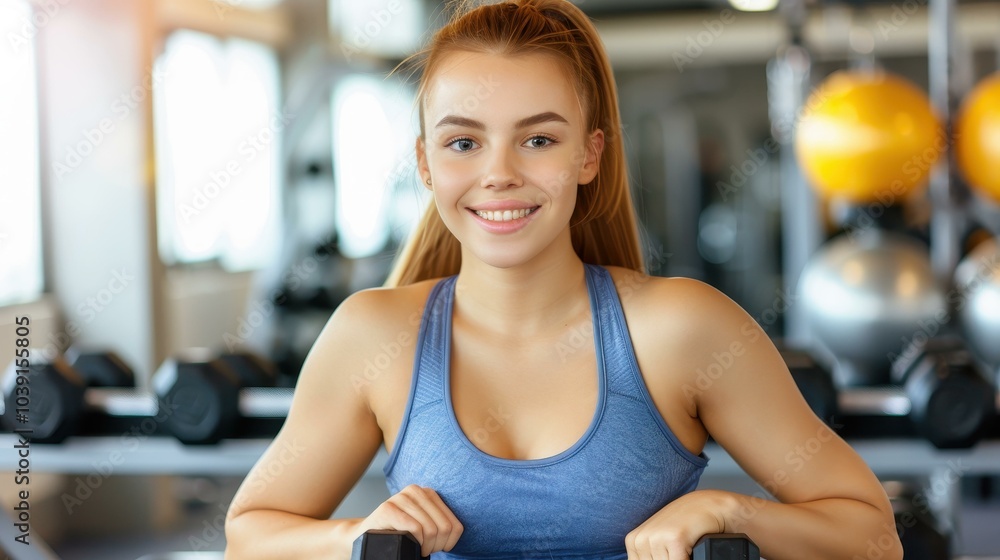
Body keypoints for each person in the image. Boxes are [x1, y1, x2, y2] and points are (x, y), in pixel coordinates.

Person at [224, 1, 903, 558]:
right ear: (426, 162)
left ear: (590, 154)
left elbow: (871, 534)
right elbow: (250, 532)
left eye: (539, 139)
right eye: (464, 142)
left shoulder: (681, 330)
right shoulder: (375, 336)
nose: (499, 173)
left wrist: (728, 510)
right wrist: (356, 538)